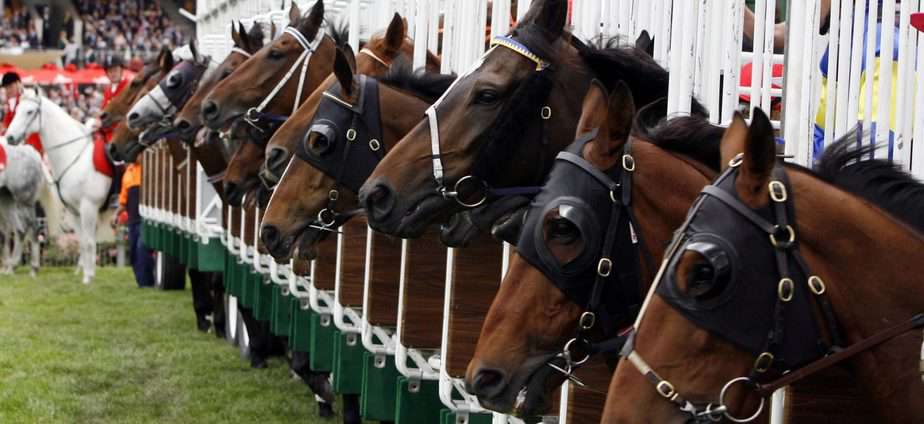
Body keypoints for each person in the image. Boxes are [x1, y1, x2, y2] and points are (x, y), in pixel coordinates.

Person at [113, 159, 154, 288]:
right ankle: (141, 283)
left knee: (142, 249)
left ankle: (147, 283)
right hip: (132, 220)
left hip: (146, 219)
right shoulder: (127, 173)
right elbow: (123, 201)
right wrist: (115, 215)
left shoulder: (148, 168)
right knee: (134, 253)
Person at [1, 71, 43, 154]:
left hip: (32, 143)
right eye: (6, 88)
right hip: (18, 144)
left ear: (18, 83)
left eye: (10, 87)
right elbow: (6, 125)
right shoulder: (11, 102)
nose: (8, 90)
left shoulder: (29, 97)